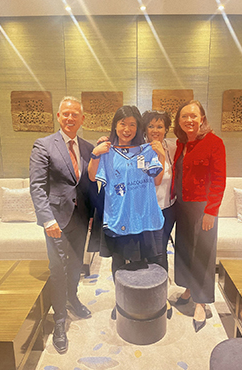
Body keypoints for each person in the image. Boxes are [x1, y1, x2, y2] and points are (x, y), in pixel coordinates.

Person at [30, 96, 97, 354]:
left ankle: (72, 299)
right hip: (56, 221)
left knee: (76, 265)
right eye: (66, 114)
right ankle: (59, 321)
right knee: (58, 269)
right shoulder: (44, 145)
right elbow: (36, 186)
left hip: (81, 219)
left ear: (82, 119)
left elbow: (89, 183)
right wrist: (47, 219)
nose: (70, 118)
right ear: (59, 117)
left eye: (75, 114)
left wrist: (92, 214)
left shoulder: (88, 147)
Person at [88, 105, 165, 318]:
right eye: (123, 123)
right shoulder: (107, 151)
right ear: (115, 125)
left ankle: (139, 304)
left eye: (132, 124)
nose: (127, 128)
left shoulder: (145, 151)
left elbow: (157, 179)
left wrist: (161, 156)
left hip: (141, 216)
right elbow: (93, 177)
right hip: (118, 216)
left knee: (142, 263)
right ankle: (121, 302)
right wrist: (95, 155)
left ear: (138, 127)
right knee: (119, 261)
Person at [171, 100, 226, 332]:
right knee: (184, 249)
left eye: (194, 116)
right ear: (179, 121)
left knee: (202, 253)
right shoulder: (181, 143)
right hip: (181, 206)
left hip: (203, 208)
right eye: (184, 117)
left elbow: (219, 179)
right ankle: (188, 288)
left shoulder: (214, 143)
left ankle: (201, 302)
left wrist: (211, 211)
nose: (189, 120)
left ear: (202, 118)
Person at [142, 110, 177, 272]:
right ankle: (145, 287)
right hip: (147, 210)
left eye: (160, 126)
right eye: (151, 126)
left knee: (161, 248)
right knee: (148, 250)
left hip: (168, 208)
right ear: (145, 129)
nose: (155, 130)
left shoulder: (171, 147)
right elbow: (152, 179)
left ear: (166, 129)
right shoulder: (140, 150)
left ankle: (159, 290)